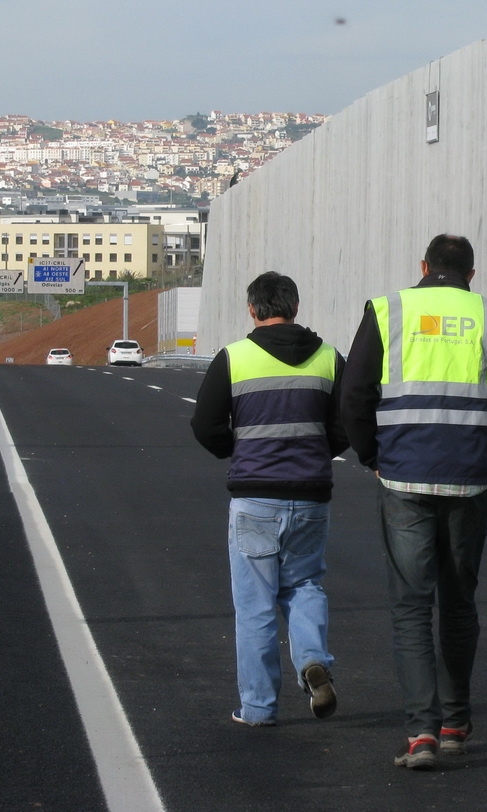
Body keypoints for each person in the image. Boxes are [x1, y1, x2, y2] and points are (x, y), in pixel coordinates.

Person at [341, 234, 487, 771]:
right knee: (459, 601)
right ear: (471, 272)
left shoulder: (389, 309)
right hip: (468, 477)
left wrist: (374, 453)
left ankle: (421, 732)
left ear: (423, 266)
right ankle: (456, 721)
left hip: (404, 477)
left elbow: (354, 393)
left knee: (412, 607)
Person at [191, 271, 348, 727]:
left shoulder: (234, 358)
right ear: (295, 307)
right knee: (305, 585)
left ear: (253, 308)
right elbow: (346, 424)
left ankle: (259, 708)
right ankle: (313, 659)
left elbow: (205, 425)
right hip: (312, 496)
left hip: (255, 498)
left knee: (255, 605)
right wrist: (319, 452)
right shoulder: (328, 359)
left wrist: (235, 452)